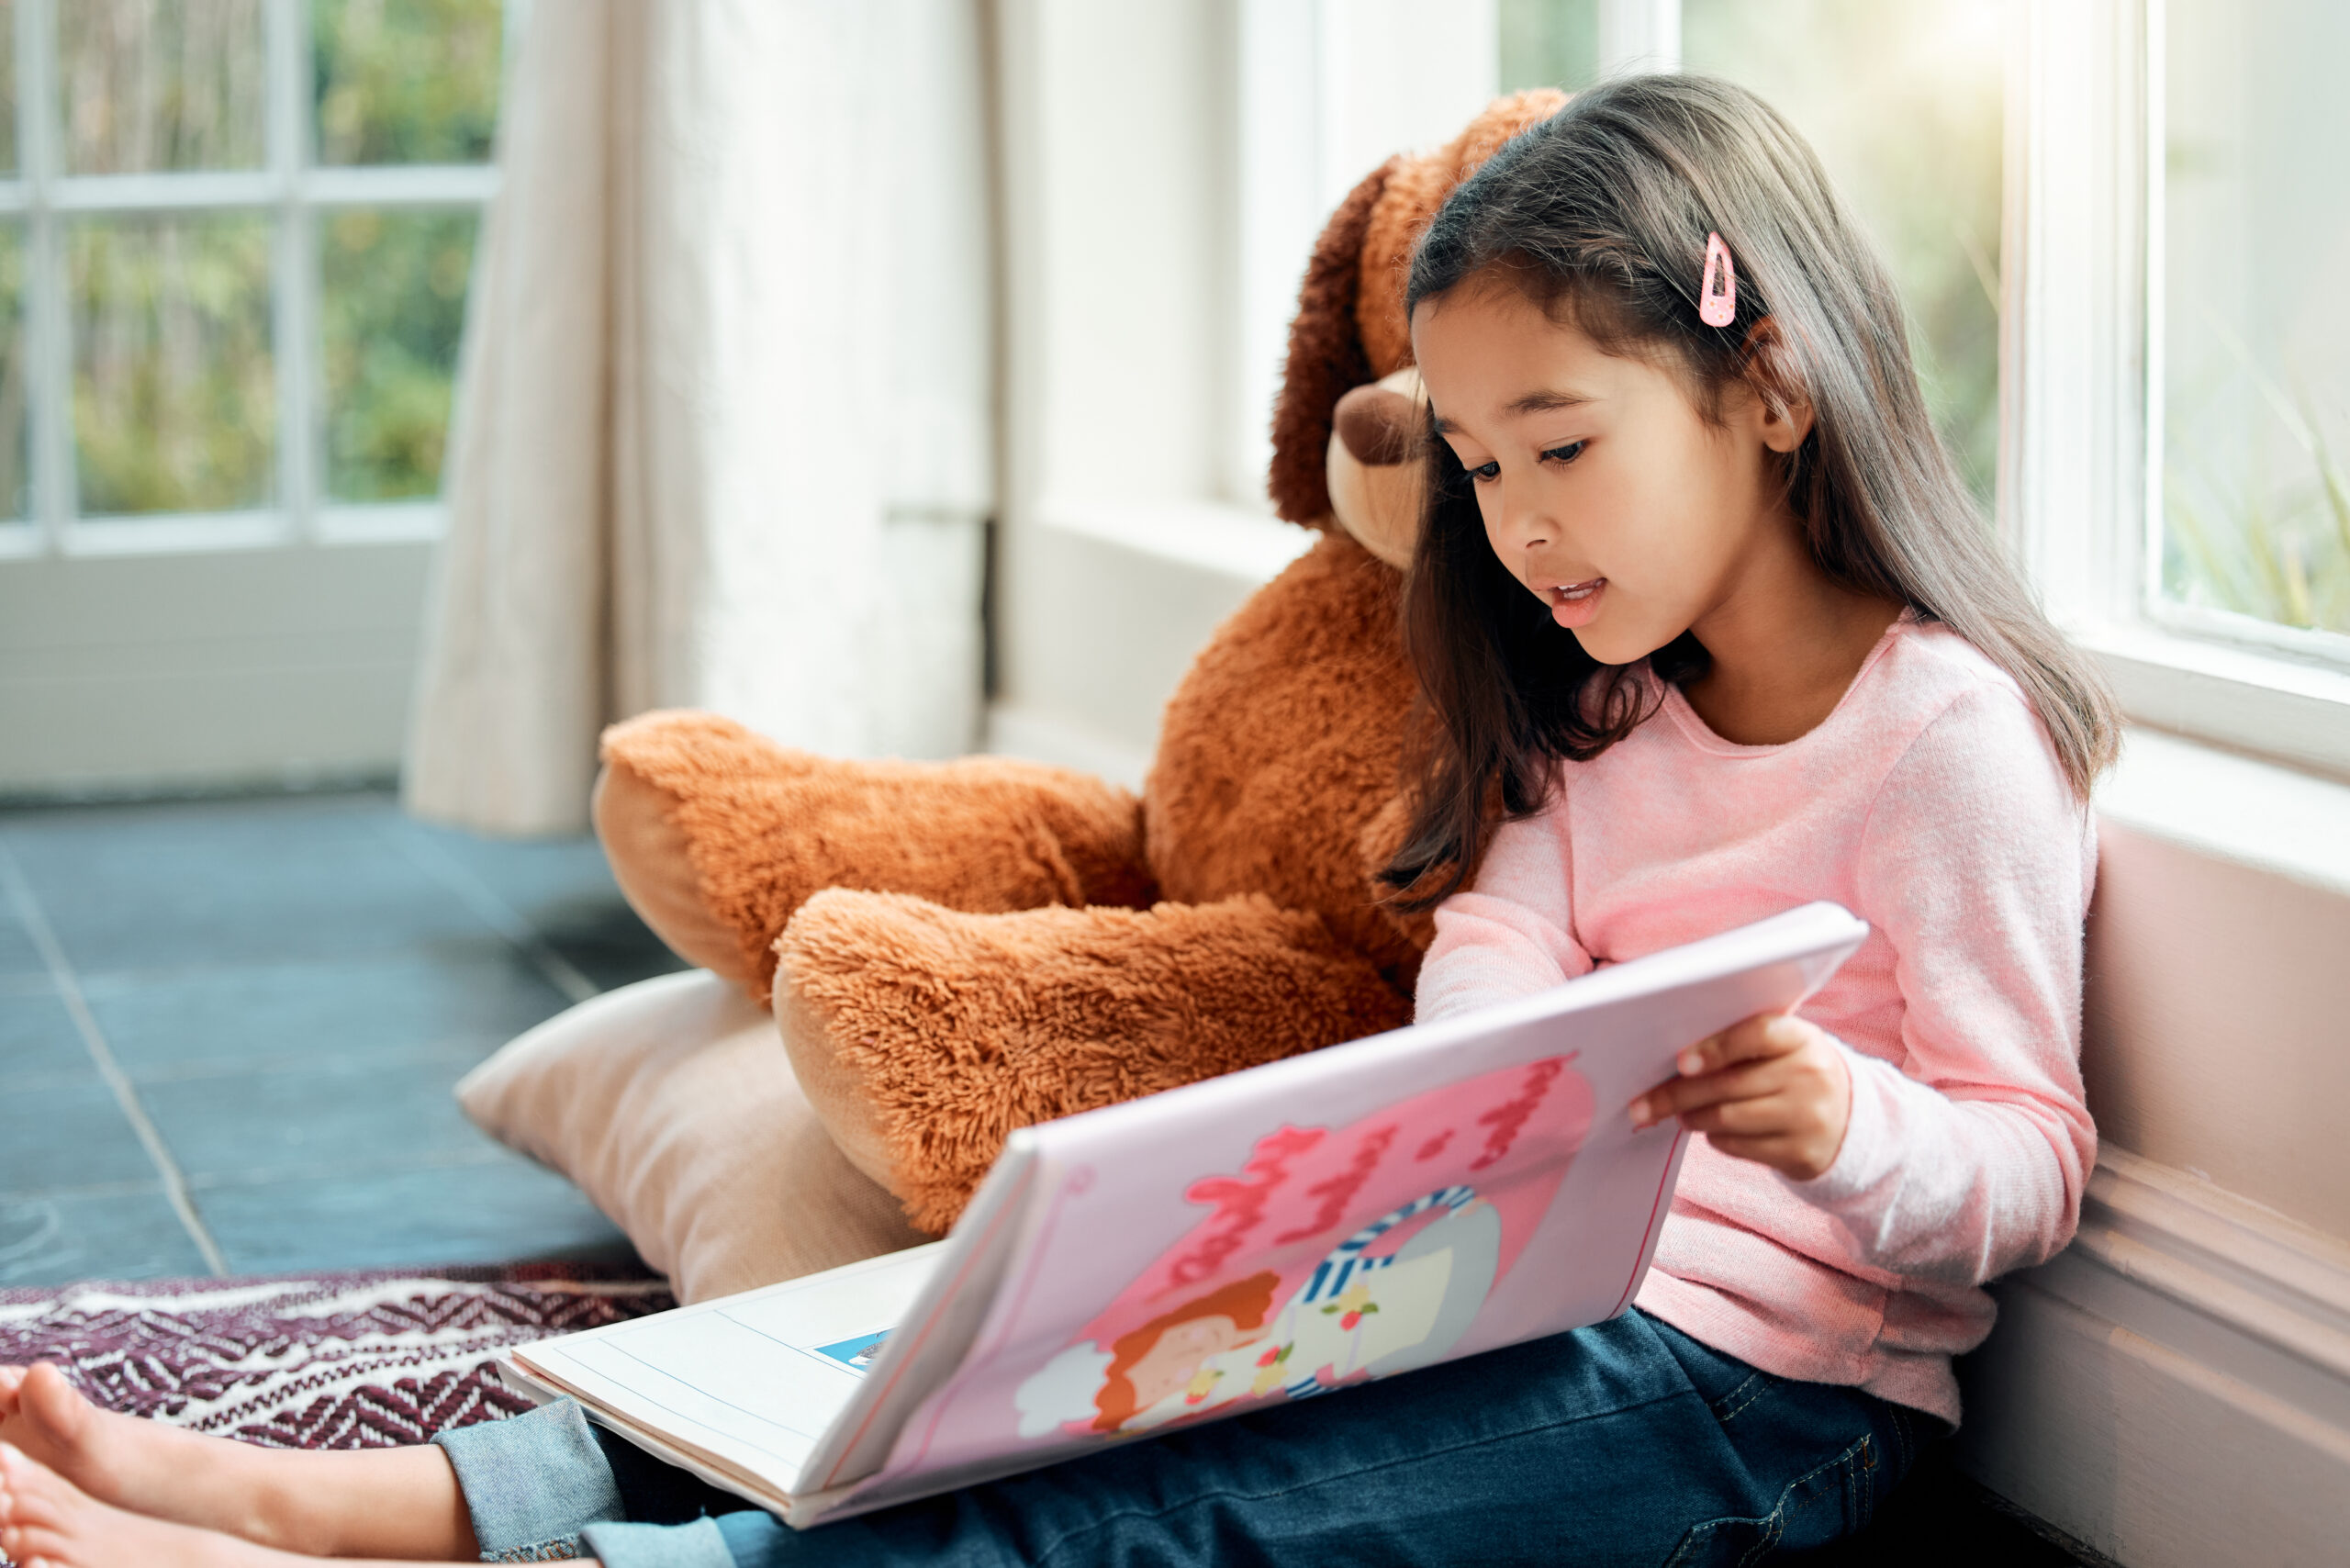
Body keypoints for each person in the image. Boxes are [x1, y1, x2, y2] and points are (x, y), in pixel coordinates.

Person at [0, 73, 2109, 1567]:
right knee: (958, 1364)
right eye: (1472, 463)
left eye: (1558, 442)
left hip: (1749, 1404)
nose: (1514, 519)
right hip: (1472, 1274)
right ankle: (356, 1500)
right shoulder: (1596, 710)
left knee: (1134, 1521)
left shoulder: (1944, 740)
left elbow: (2021, 1163)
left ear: (1769, 382)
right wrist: (1481, 1057)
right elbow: (1504, 944)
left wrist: (1841, 1123)